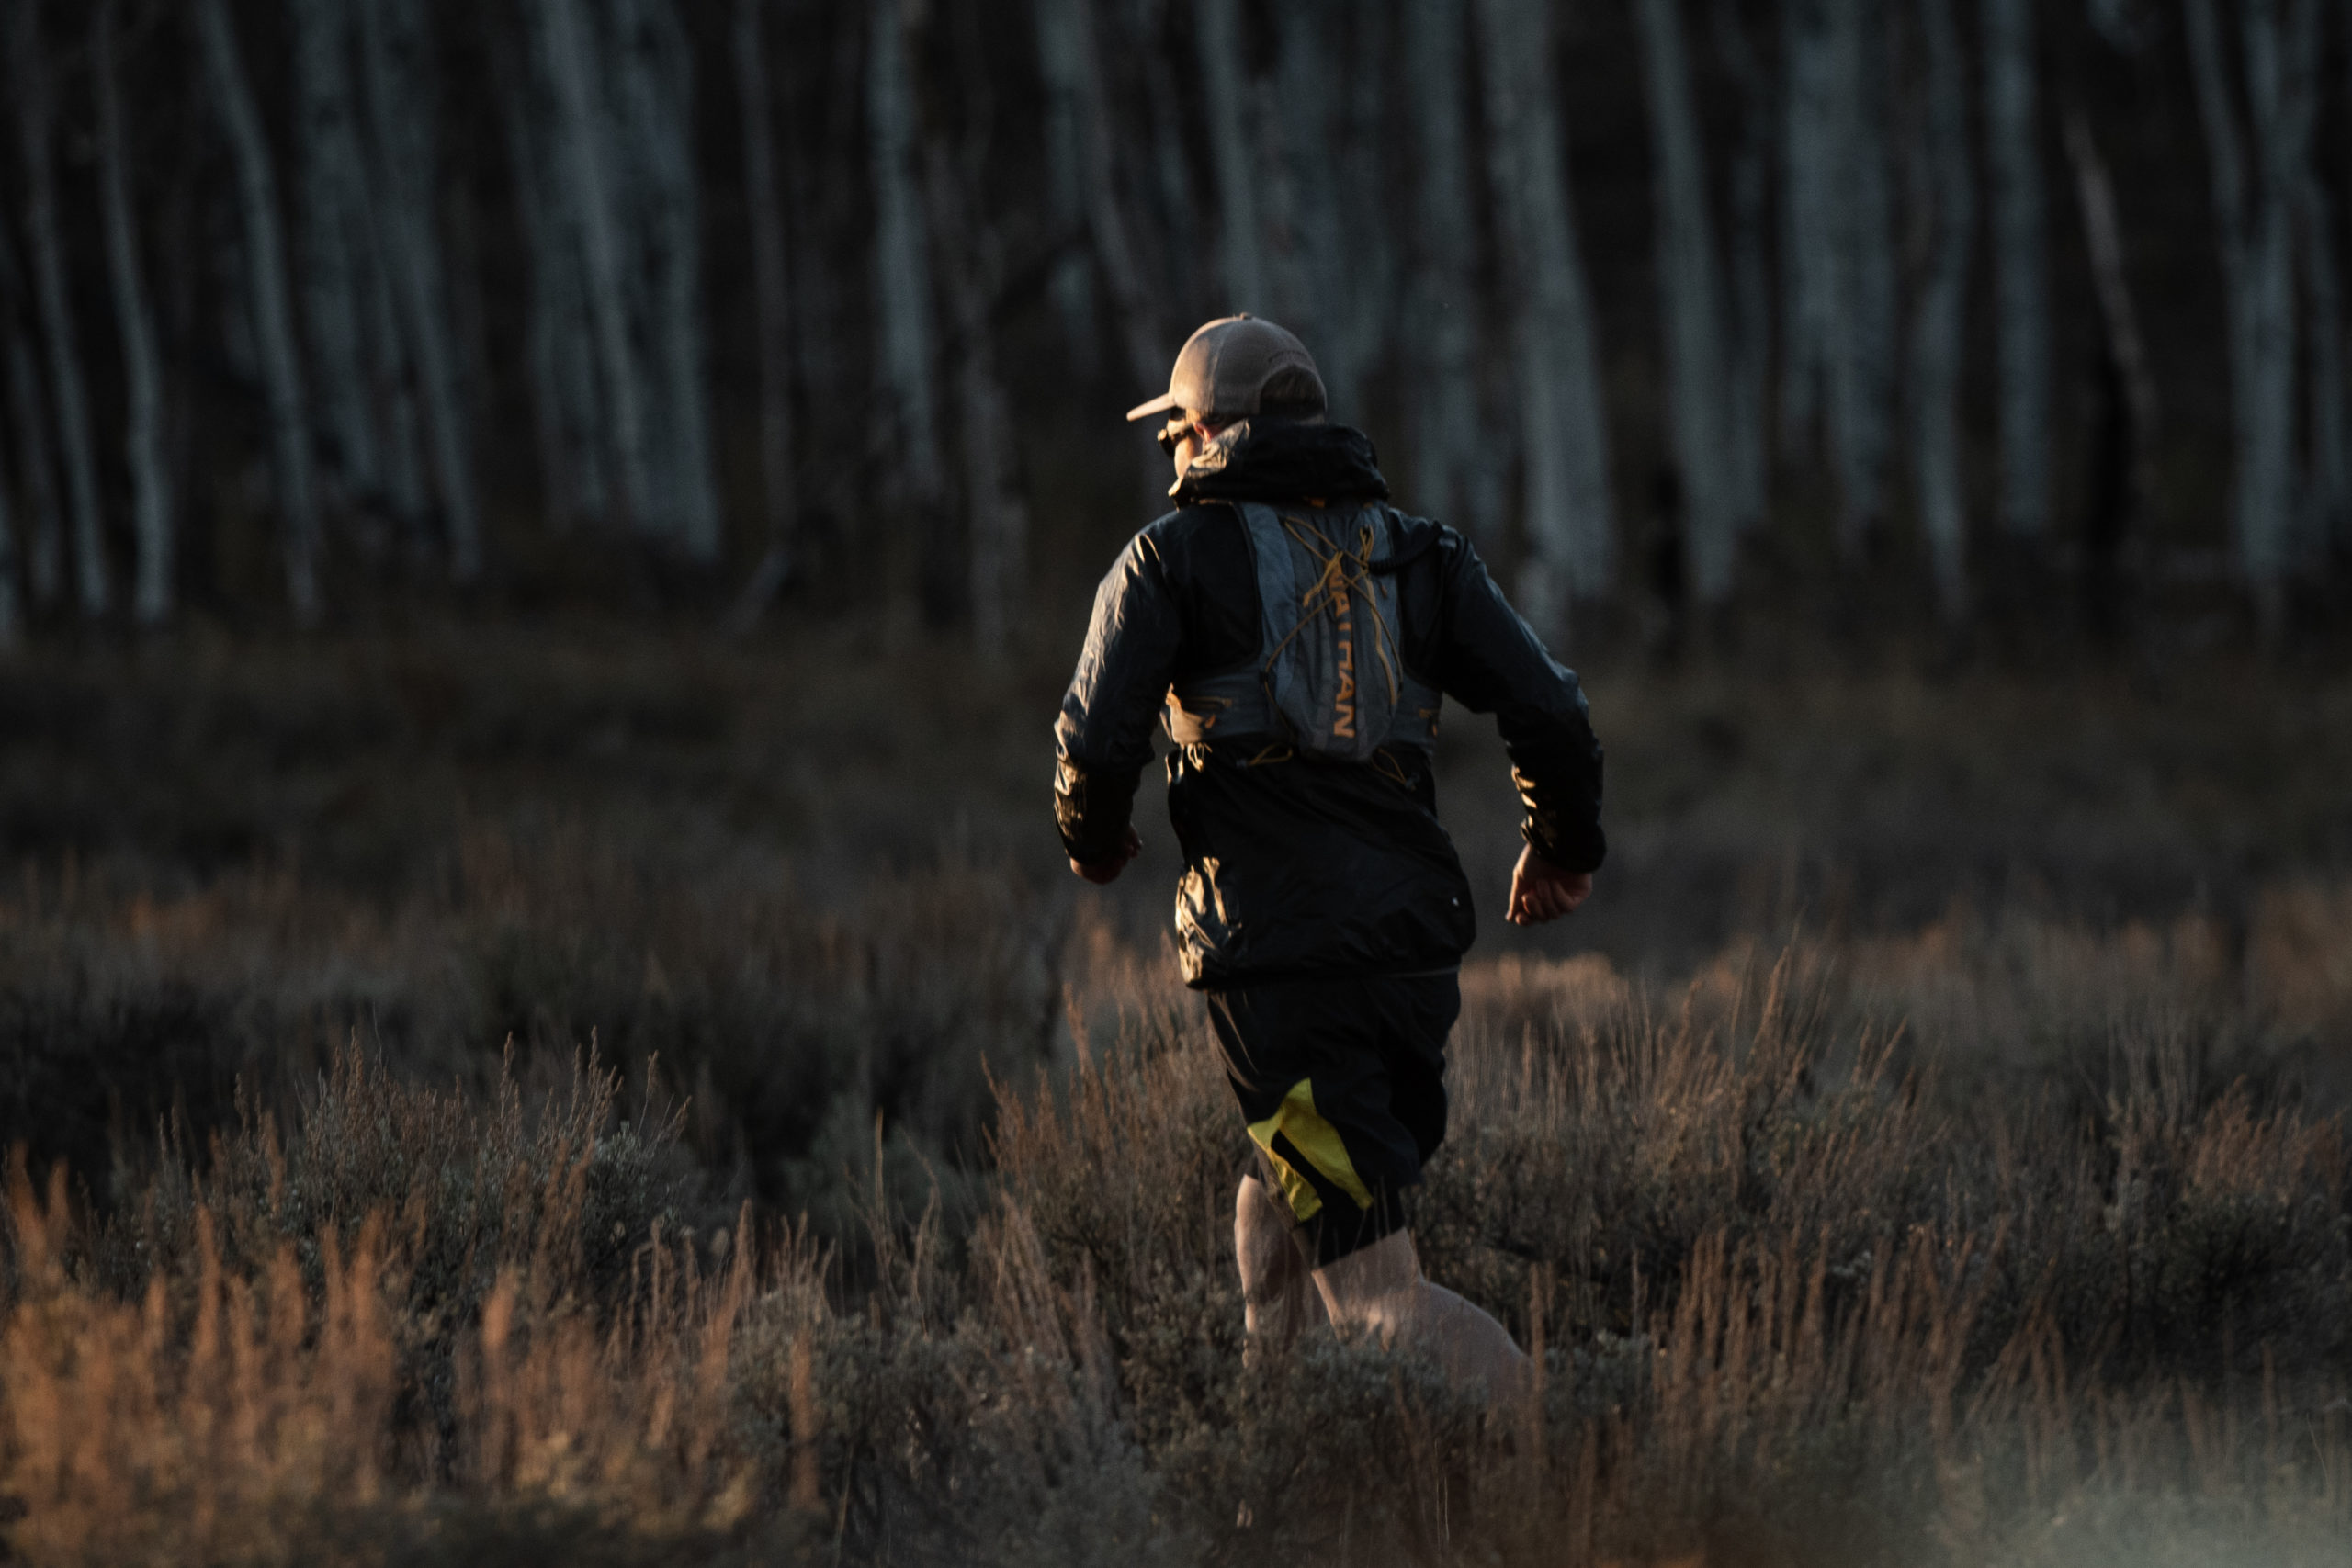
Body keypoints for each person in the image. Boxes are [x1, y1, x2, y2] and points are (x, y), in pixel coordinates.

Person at [1053, 316, 1605, 1398]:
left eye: (1176, 432)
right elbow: (1550, 706)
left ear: (1209, 430)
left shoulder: (1169, 559)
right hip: (1409, 966)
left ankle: (1578, 1466)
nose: (1171, 453)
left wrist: (1094, 837)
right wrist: (1561, 846)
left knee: (1374, 1290)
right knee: (1280, 1186)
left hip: (1282, 980)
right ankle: (1285, 1481)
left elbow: (1089, 739)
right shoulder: (1421, 553)